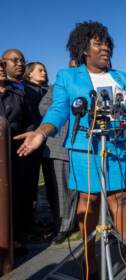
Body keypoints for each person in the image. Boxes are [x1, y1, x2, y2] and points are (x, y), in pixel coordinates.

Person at [14, 21, 126, 278]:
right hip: (85, 149)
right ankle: (89, 265)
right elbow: (59, 109)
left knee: (120, 200)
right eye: (98, 43)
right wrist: (42, 132)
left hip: (119, 149)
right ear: (83, 49)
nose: (105, 47)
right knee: (90, 201)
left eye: (107, 43)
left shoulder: (122, 77)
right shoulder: (68, 76)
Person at [38, 59, 78, 245]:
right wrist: (69, 107)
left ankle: (74, 222)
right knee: (59, 191)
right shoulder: (56, 88)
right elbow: (43, 107)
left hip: (82, 147)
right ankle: (62, 227)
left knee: (76, 190)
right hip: (58, 147)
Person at [0, 59, 34, 254]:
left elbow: (30, 120)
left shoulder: (17, 94)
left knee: (17, 194)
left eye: (2, 67)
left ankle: (15, 238)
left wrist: (28, 134)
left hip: (17, 149)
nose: (1, 70)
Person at [23, 62, 49, 228]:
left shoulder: (50, 90)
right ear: (29, 74)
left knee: (51, 180)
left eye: (45, 70)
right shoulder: (24, 91)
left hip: (50, 141)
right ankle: (30, 218)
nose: (44, 72)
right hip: (31, 138)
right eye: (40, 70)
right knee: (29, 180)